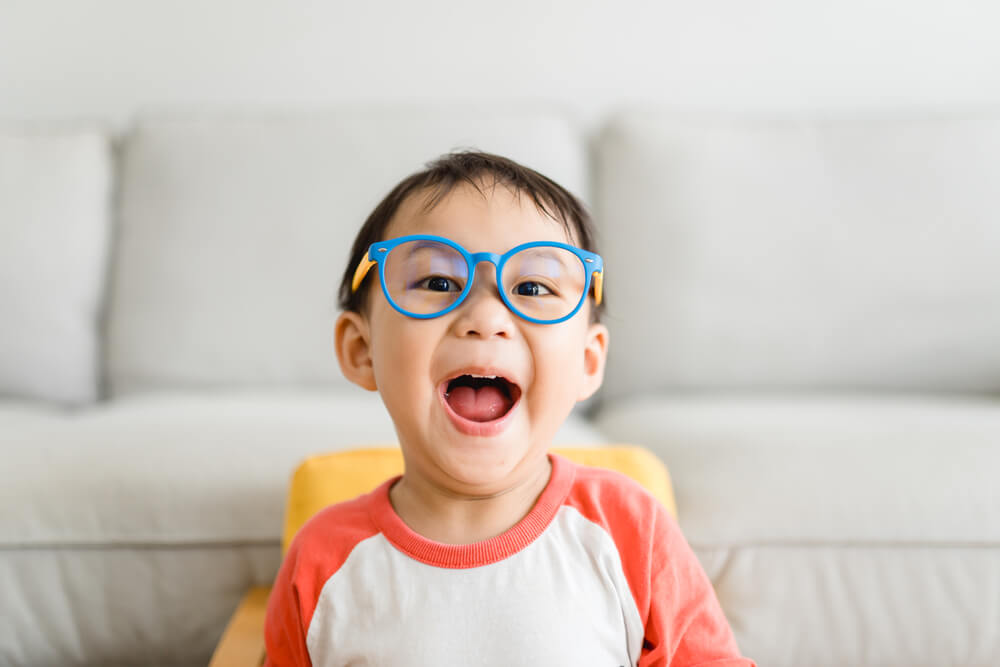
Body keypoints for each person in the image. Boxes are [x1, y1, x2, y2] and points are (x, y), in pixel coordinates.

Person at [263, 151, 756, 666]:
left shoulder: (627, 531)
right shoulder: (323, 561)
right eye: (437, 282)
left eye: (532, 287)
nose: (486, 316)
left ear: (588, 361)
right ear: (361, 350)